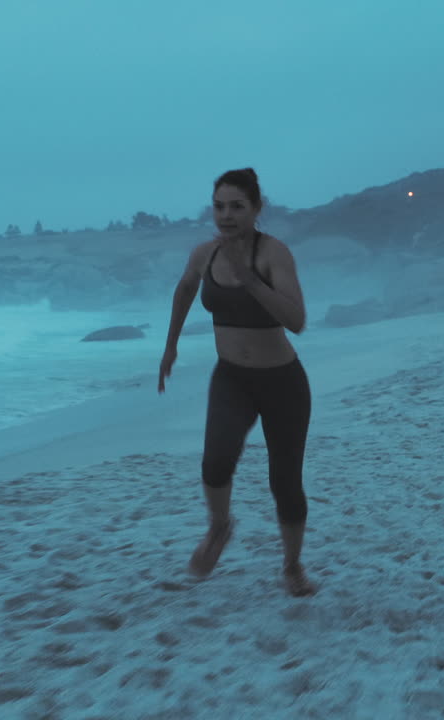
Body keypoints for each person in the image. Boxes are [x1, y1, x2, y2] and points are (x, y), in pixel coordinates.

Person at [158, 167, 315, 597]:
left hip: (282, 382)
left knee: (285, 482)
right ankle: (220, 527)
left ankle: (292, 566)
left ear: (256, 209)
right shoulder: (204, 255)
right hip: (231, 378)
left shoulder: (273, 254)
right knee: (215, 462)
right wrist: (170, 346)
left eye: (237, 207)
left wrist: (249, 281)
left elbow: (297, 320)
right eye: (219, 206)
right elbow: (185, 289)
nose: (226, 215)